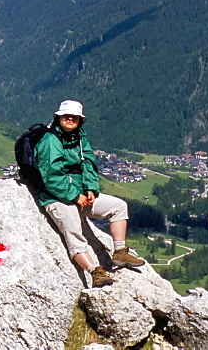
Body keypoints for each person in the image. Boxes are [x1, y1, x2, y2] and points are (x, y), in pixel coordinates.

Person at [34, 99, 144, 287]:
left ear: (80, 120)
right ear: (58, 117)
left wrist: (91, 188)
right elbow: (52, 176)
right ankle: (95, 272)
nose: (70, 118)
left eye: (74, 116)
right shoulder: (50, 140)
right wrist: (75, 195)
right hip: (55, 196)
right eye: (66, 115)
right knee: (74, 231)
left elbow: (89, 164)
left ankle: (119, 253)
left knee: (119, 207)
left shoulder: (79, 138)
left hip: (79, 194)